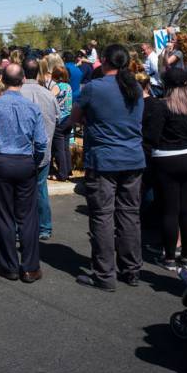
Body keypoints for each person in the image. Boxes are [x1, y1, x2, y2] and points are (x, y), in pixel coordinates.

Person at [72, 44, 145, 292]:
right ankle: (132, 270)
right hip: (133, 158)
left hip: (104, 159)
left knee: (103, 216)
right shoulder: (135, 86)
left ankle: (104, 274)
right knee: (129, 215)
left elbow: (75, 116)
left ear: (103, 61)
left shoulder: (95, 87)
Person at [0, 63, 47, 283]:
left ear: (3, 81)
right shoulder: (32, 107)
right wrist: (35, 161)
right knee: (27, 217)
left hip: (0, 161)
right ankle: (29, 267)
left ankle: (8, 266)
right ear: (24, 79)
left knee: (3, 215)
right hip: (25, 162)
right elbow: (41, 142)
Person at [142, 68, 187, 271]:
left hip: (167, 159)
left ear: (165, 85)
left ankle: (170, 256)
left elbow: (151, 137)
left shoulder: (161, 106)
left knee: (170, 210)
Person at [20, 59, 60, 240]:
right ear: (38, 73)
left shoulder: (17, 94)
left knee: (20, 192)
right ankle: (44, 227)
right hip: (44, 151)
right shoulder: (49, 95)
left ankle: (21, 229)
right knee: (41, 188)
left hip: (21, 152)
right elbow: (57, 118)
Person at [50, 64, 73, 181]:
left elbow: (49, 99)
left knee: (58, 148)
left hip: (60, 119)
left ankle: (62, 174)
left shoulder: (56, 87)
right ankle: (68, 170)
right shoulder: (68, 86)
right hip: (69, 118)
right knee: (65, 146)